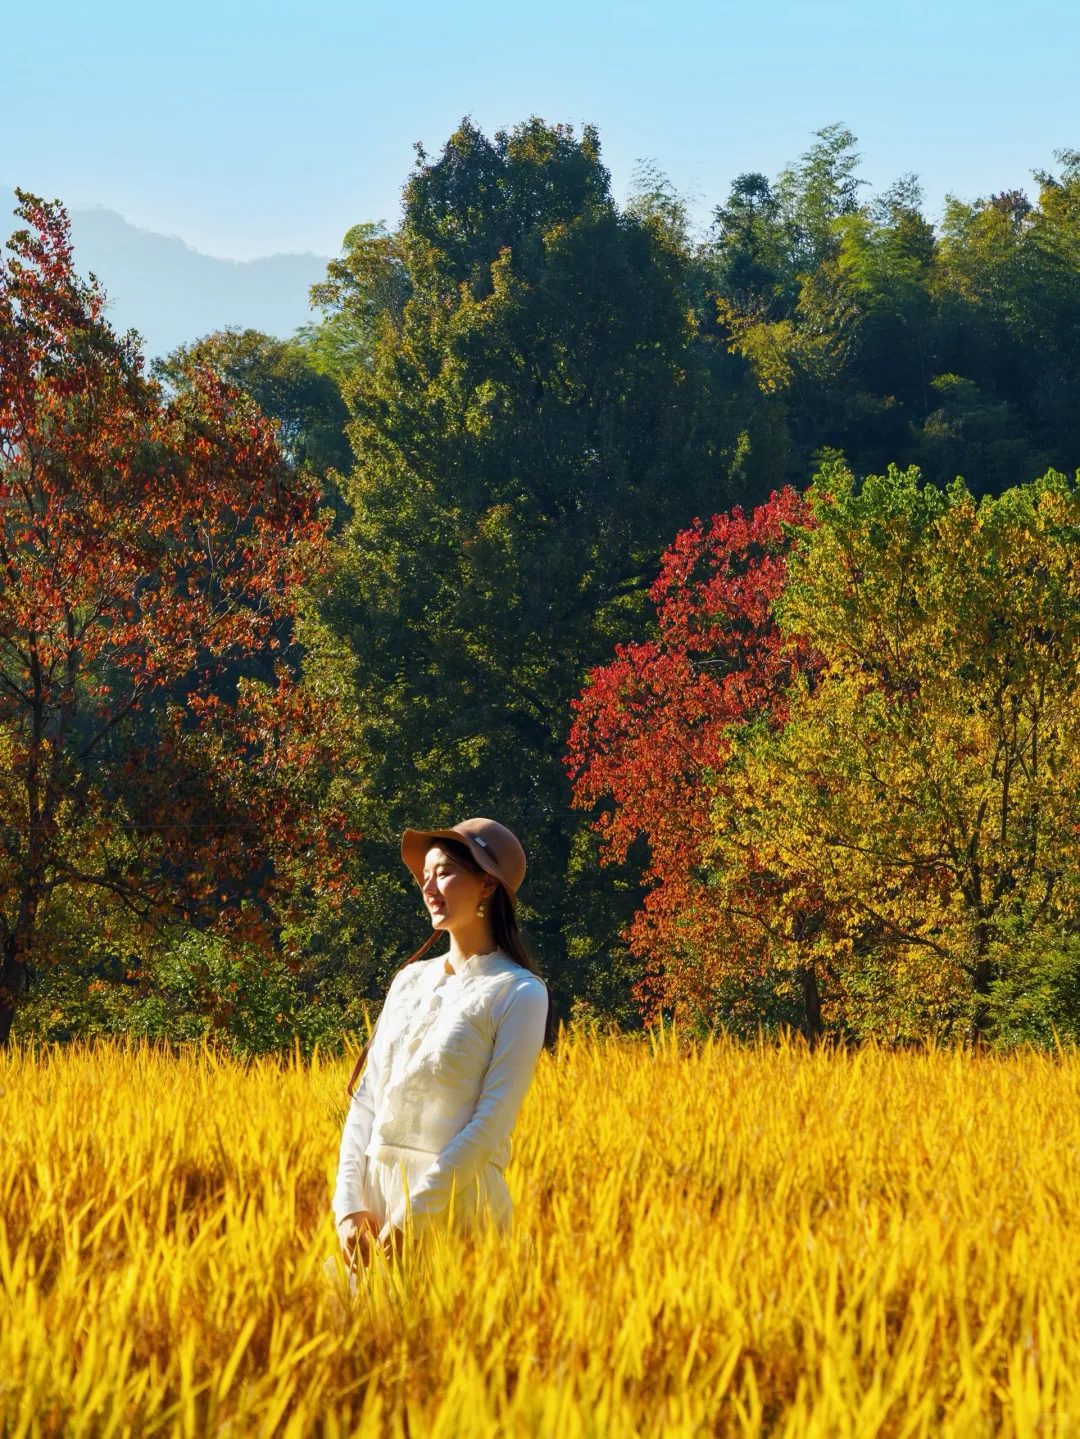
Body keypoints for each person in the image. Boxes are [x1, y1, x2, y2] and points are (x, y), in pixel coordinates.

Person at [333, 818, 551, 1267]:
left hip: (455, 1210)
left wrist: (413, 1218)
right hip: (374, 1206)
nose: (429, 886)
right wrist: (348, 1205)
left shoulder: (519, 992)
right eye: (426, 875)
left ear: (487, 885)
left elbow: (490, 1125)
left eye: (445, 873)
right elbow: (367, 1099)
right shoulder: (408, 981)